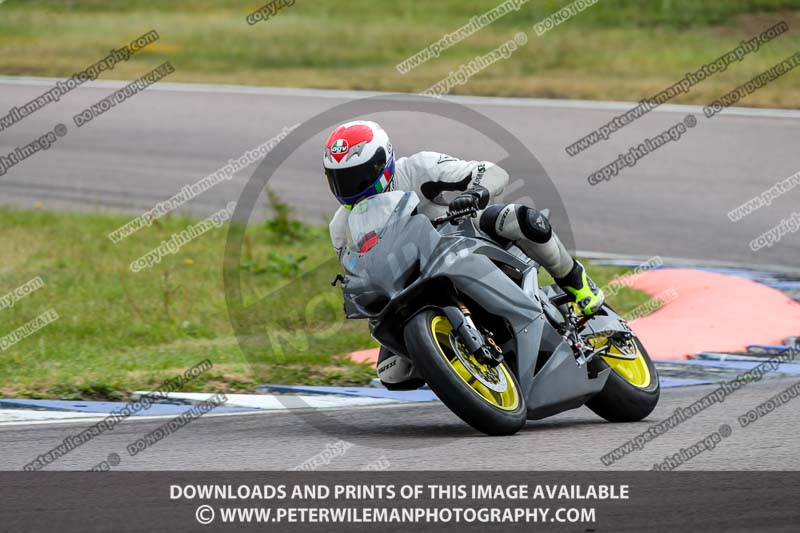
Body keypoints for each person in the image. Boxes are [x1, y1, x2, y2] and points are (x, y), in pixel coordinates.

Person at [324, 120, 604, 387]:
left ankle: (576, 282)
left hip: (459, 238)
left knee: (519, 218)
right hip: (404, 282)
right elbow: (359, 271)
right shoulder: (340, 227)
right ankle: (461, 366)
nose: (350, 189)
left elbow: (490, 171)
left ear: (382, 163)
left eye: (358, 178)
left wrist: (475, 193)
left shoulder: (417, 168)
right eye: (340, 180)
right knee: (394, 372)